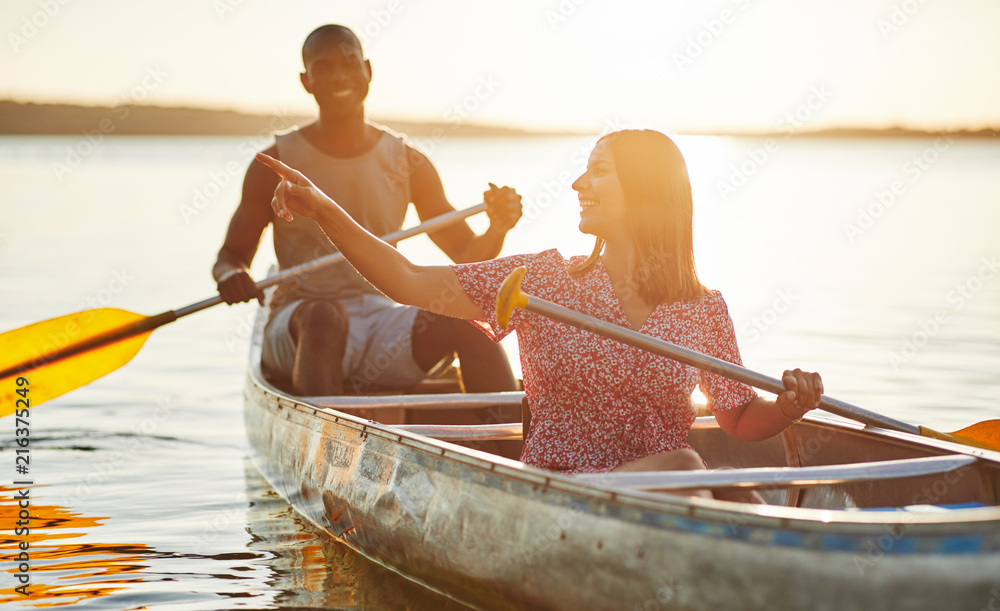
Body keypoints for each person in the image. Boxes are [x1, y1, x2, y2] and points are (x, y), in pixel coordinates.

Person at [256, 128, 824, 499]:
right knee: (688, 471)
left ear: (646, 192)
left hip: (663, 496)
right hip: (555, 495)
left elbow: (739, 419)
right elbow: (407, 281)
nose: (578, 182)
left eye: (598, 171)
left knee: (720, 485)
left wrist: (787, 406)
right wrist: (325, 209)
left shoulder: (702, 308)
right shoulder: (545, 280)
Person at [212, 24, 522, 398]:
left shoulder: (409, 161)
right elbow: (231, 256)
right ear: (306, 80)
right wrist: (232, 274)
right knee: (324, 317)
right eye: (323, 68)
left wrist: (497, 229)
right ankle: (324, 448)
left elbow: (467, 257)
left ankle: (512, 449)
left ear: (368, 71)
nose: (339, 76)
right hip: (300, 323)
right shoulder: (275, 162)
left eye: (348, 63)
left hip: (381, 325)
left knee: (468, 320)